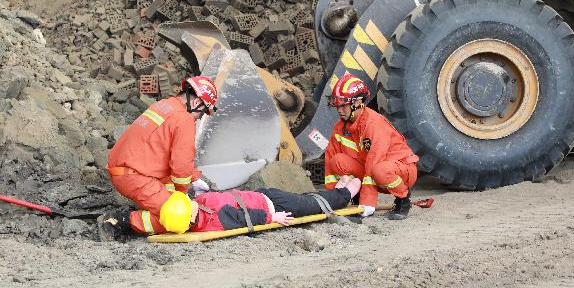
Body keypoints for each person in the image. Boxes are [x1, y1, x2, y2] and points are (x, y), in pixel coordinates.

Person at [104, 75, 218, 235]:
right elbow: (181, 164)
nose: (200, 117)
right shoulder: (184, 119)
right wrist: (182, 196)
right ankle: (120, 221)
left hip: (126, 170)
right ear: (196, 103)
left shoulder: (165, 105)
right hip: (135, 177)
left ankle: (148, 209)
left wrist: (195, 177)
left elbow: (163, 148)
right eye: (203, 112)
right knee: (180, 218)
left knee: (172, 190)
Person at [98, 176, 362, 240]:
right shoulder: (212, 217)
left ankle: (344, 190)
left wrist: (121, 221)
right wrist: (273, 217)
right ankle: (347, 190)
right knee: (311, 205)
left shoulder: (177, 217)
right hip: (267, 202)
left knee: (307, 202)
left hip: (264, 199)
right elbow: (244, 218)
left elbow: (148, 220)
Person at [323, 74, 420, 220]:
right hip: (374, 170)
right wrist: (330, 200)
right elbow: (330, 165)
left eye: (343, 105)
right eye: (338, 106)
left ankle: (403, 199)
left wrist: (367, 203)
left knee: (379, 169)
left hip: (401, 170)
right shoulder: (340, 127)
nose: (339, 110)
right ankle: (354, 198)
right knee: (338, 161)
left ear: (358, 102)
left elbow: (373, 161)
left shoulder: (373, 124)